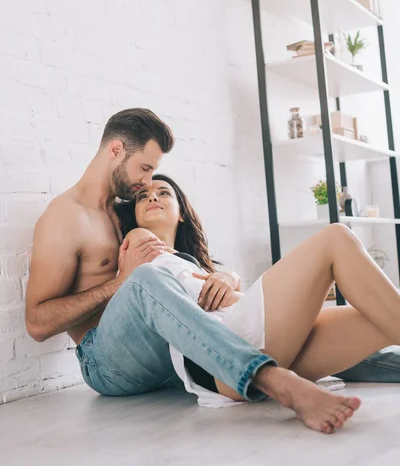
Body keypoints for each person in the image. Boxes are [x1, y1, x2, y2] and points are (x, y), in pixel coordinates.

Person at [23, 108, 394, 436]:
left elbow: (180, 269)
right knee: (145, 281)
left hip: (174, 349)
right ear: (115, 150)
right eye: (145, 169)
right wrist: (120, 283)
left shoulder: (124, 213)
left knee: (359, 320)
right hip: (108, 359)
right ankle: (273, 380)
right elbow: (38, 324)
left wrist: (227, 276)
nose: (148, 182)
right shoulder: (66, 217)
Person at [116, 174, 400, 418]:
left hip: (241, 368)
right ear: (135, 215)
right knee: (336, 238)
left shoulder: (192, 264)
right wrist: (298, 305)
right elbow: (206, 303)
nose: (152, 197)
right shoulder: (140, 242)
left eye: (163, 193)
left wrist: (230, 279)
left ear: (181, 213)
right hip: (220, 358)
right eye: (143, 197)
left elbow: (223, 302)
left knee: (376, 318)